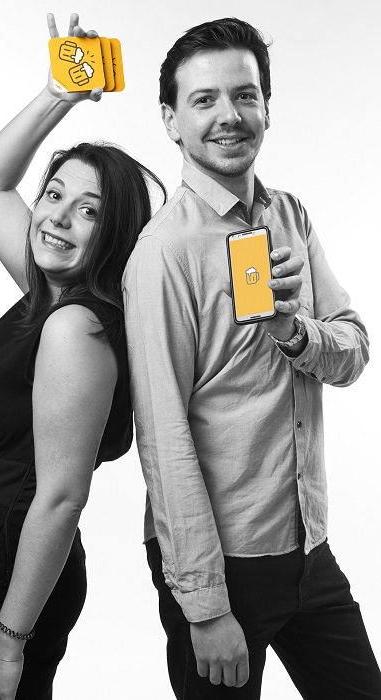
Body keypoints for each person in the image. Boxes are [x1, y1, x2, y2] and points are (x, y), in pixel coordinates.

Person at [0, 12, 164, 700]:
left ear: (114, 234)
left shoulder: (77, 328)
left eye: (88, 211)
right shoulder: (48, 292)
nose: (56, 218)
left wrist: (7, 645)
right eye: (53, 195)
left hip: (0, 574)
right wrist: (57, 93)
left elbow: (63, 497)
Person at [123, 17, 381, 699]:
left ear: (267, 106)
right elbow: (162, 435)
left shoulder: (290, 215)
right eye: (204, 100)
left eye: (245, 95)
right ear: (170, 120)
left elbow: (353, 351)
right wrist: (206, 607)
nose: (229, 116)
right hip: (220, 562)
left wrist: (293, 332)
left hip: (306, 545)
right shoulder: (163, 253)